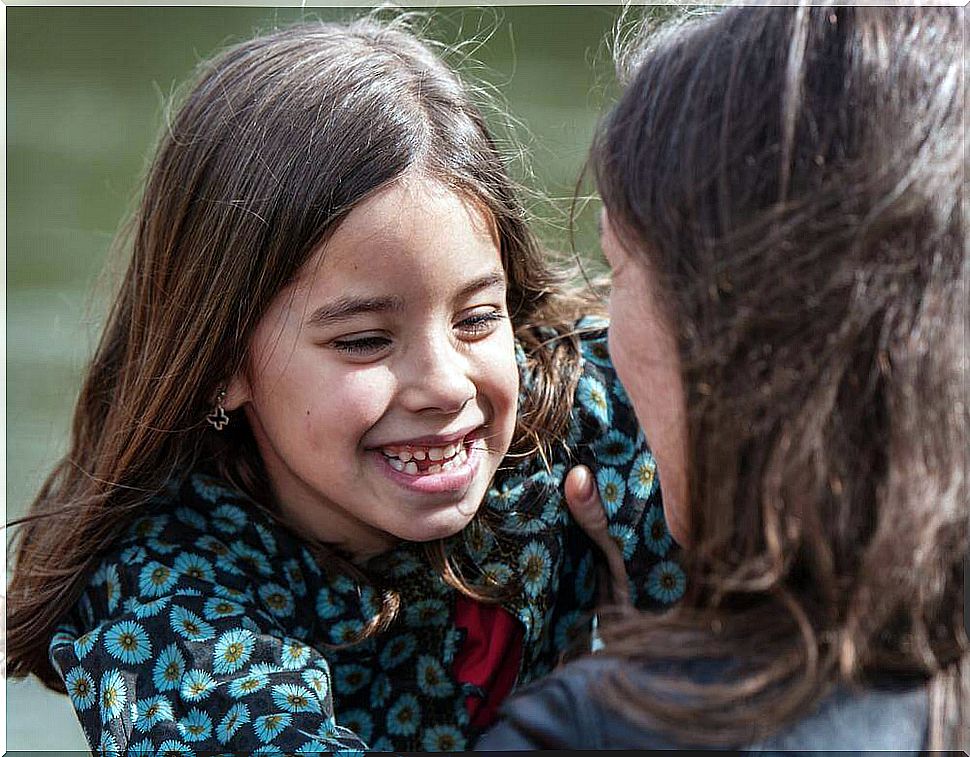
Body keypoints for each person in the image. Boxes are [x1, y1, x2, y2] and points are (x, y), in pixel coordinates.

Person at [5, 17, 683, 754]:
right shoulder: (165, 600)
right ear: (220, 362)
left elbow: (792, 609)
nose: (446, 385)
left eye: (478, 318)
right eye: (364, 340)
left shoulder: (580, 424)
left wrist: (678, 656)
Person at [479, 5, 967, 751]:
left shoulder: (582, 733)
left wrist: (624, 674)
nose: (602, 334)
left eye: (618, 267)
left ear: (739, 330)